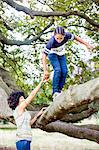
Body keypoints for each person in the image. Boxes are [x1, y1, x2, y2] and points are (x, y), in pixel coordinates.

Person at [42, 26, 93, 99]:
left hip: (61, 54)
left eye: (61, 38)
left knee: (65, 71)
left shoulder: (68, 35)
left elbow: (77, 38)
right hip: (52, 54)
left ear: (64, 36)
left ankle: (59, 91)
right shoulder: (51, 42)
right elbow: (44, 56)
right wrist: (45, 70)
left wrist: (87, 44)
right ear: (54, 36)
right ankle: (55, 92)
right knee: (58, 70)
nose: (59, 40)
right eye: (57, 38)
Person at [7, 77, 48, 150]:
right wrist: (41, 82)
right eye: (21, 98)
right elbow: (32, 95)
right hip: (22, 140)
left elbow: (29, 124)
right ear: (17, 101)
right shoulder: (19, 108)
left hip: (27, 139)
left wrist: (38, 115)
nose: (24, 99)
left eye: (23, 98)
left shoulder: (24, 110)